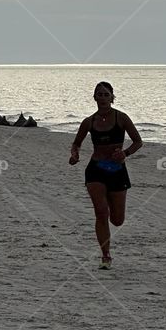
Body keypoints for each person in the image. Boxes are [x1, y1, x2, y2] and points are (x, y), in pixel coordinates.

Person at [69, 81, 142, 268]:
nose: (102, 97)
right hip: (96, 169)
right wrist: (75, 154)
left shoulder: (122, 118)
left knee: (117, 220)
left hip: (117, 171)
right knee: (101, 212)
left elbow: (138, 141)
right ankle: (106, 255)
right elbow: (76, 143)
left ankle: (110, 201)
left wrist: (125, 153)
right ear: (94, 98)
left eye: (105, 94)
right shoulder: (89, 121)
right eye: (99, 94)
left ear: (112, 97)